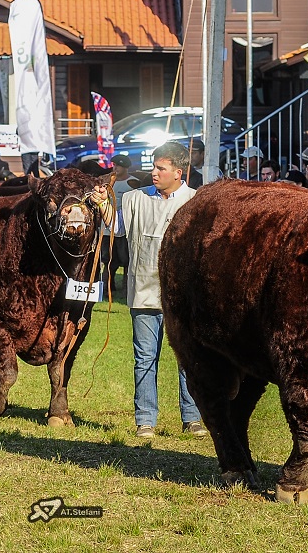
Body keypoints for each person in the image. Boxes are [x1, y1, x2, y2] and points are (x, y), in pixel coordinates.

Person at [122, 141, 204, 439]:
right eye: (154, 167)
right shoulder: (134, 199)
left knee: (187, 358)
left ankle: (192, 417)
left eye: (161, 168)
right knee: (144, 358)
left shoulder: (196, 203)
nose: (154, 173)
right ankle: (145, 419)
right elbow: (115, 228)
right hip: (144, 292)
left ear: (179, 172)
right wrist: (102, 205)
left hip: (183, 298)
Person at [100, 153, 137, 293]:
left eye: (118, 165)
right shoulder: (108, 182)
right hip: (107, 227)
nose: (115, 167)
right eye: (114, 164)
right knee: (107, 259)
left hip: (124, 226)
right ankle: (107, 287)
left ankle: (126, 287)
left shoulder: (133, 183)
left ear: (126, 167)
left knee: (126, 258)